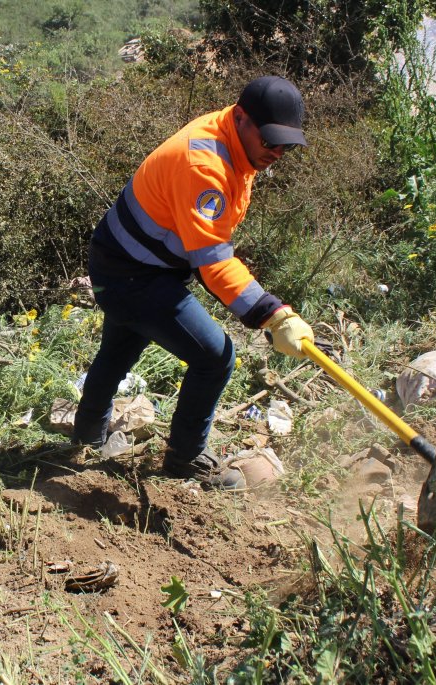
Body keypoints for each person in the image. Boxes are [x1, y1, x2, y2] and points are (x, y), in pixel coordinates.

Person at [72, 75, 319, 489]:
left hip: (128, 261)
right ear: (240, 118)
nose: (276, 152)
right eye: (270, 141)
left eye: (285, 145)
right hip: (131, 272)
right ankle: (185, 458)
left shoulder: (237, 142)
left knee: (119, 350)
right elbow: (213, 263)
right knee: (215, 357)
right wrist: (273, 315)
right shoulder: (204, 165)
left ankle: (85, 439)